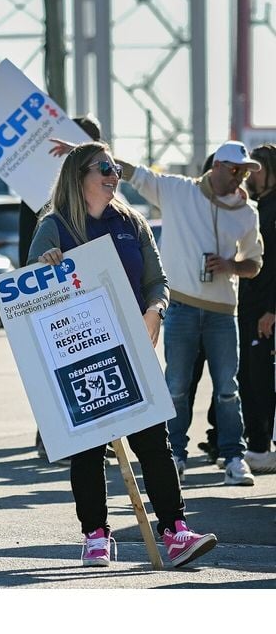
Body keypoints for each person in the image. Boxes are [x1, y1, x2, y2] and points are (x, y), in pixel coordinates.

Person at [30, 141, 217, 568]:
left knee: (153, 442)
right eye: (103, 168)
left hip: (132, 347)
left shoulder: (131, 222)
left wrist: (156, 310)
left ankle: (175, 530)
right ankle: (95, 535)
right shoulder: (55, 226)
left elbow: (158, 280)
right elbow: (30, 293)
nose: (113, 174)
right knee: (89, 448)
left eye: (115, 167)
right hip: (80, 355)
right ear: (80, 176)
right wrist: (45, 266)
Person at [121, 140, 262, 487]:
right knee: (176, 387)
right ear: (215, 167)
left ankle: (233, 457)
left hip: (223, 311)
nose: (240, 176)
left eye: (245, 171)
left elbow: (255, 264)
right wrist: (92, 157)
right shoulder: (178, 190)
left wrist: (231, 264)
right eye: (234, 169)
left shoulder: (247, 212)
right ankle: (176, 457)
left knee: (228, 387)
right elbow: (133, 173)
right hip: (181, 305)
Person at [18, 115, 102, 464]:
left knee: (94, 364)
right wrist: (33, 279)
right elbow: (31, 246)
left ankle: (98, 436)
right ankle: (52, 435)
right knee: (59, 365)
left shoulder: (105, 189)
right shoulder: (43, 191)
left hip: (93, 291)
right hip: (57, 292)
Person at [238, 144, 276, 473]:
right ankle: (258, 446)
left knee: (263, 378)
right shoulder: (251, 206)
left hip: (267, 308)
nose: (253, 172)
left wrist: (272, 309)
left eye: (259, 166)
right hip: (246, 304)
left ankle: (263, 446)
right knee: (247, 376)